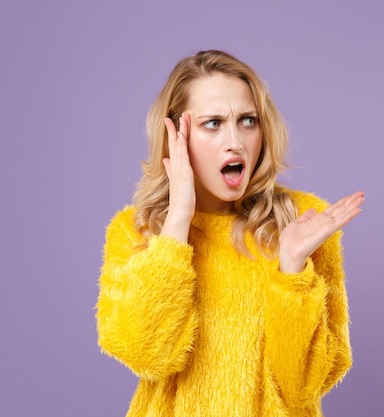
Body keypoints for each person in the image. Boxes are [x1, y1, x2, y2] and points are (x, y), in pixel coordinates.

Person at [95, 49, 365, 417]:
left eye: (248, 120)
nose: (235, 141)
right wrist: (178, 220)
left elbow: (304, 387)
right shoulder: (139, 230)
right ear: (177, 135)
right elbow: (146, 353)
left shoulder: (304, 223)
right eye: (213, 123)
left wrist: (293, 269)